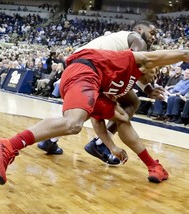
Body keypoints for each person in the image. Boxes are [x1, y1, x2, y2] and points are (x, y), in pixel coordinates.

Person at [0, 48, 189, 186]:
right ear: (149, 65)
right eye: (155, 71)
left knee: (123, 117)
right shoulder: (138, 59)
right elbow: (185, 54)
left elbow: (97, 118)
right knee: (73, 124)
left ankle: (153, 164)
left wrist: (112, 146)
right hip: (84, 70)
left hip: (91, 80)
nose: (155, 75)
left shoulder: (125, 84)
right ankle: (7, 145)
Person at [38, 21, 164, 165]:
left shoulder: (121, 40)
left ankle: (50, 139)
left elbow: (132, 67)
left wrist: (148, 89)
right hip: (88, 68)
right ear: (140, 29)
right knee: (122, 104)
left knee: (88, 112)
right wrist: (148, 88)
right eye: (152, 33)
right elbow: (136, 64)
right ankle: (100, 144)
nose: (154, 38)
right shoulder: (137, 39)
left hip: (81, 65)